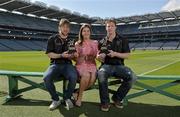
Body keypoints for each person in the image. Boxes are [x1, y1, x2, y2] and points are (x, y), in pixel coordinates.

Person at [97, 19, 137, 112]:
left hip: (119, 66)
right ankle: (105, 102)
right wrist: (99, 57)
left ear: (115, 27)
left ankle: (117, 98)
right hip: (106, 65)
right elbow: (98, 55)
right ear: (105, 28)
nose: (110, 28)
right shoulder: (101, 41)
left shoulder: (123, 39)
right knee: (101, 76)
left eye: (111, 26)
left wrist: (115, 53)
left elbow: (128, 55)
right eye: (108, 26)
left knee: (133, 77)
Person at [43, 18, 78, 111]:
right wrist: (61, 55)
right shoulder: (52, 38)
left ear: (69, 29)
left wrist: (74, 55)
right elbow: (49, 54)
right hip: (55, 64)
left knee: (74, 76)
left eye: (67, 27)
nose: (65, 29)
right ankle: (55, 99)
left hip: (68, 65)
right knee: (46, 77)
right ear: (59, 27)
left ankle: (67, 98)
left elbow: (73, 57)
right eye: (63, 26)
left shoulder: (72, 40)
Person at [73, 24, 98, 107]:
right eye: (84, 31)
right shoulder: (77, 44)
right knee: (86, 75)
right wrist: (75, 56)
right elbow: (75, 58)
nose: (86, 32)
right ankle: (79, 98)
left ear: (90, 32)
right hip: (81, 64)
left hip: (92, 64)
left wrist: (98, 55)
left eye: (88, 31)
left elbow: (97, 54)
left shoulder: (95, 43)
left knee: (92, 81)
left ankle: (76, 92)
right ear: (81, 32)